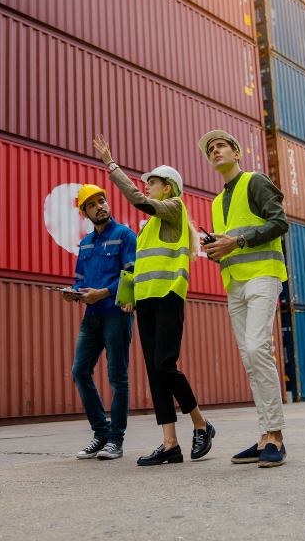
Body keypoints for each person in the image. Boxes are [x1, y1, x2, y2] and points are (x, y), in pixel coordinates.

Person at [93, 133, 215, 466]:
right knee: (154, 370)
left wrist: (111, 165)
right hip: (145, 302)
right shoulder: (148, 227)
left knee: (165, 365)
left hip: (168, 297)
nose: (147, 185)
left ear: (169, 189)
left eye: (153, 182)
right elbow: (136, 266)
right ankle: (170, 444)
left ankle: (202, 425)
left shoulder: (174, 209)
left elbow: (140, 201)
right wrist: (127, 295)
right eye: (147, 182)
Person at [197, 130, 290, 468]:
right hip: (234, 283)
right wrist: (214, 250)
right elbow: (228, 242)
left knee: (256, 349)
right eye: (210, 149)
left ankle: (276, 436)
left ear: (237, 153)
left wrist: (236, 243)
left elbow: (279, 223)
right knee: (250, 360)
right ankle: (265, 435)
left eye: (221, 145)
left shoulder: (256, 181)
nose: (215, 151)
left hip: (263, 275)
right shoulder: (216, 202)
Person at [65, 184, 137, 460]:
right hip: (91, 318)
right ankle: (101, 432)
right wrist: (73, 293)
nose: (100, 206)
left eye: (102, 200)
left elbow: (131, 275)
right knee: (80, 372)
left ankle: (115, 440)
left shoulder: (124, 235)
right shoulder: (84, 243)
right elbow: (80, 280)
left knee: (117, 378)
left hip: (117, 315)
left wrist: (104, 293)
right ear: (85, 212)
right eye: (93, 204)